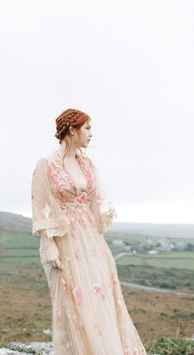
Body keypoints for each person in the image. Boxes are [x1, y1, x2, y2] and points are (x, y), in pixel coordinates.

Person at [31, 108, 147, 355]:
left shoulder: (88, 164)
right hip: (66, 241)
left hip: (91, 240)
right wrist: (49, 244)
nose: (91, 134)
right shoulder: (46, 165)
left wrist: (100, 245)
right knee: (75, 299)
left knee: (102, 296)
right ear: (72, 130)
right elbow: (38, 207)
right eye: (88, 128)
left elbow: (94, 204)